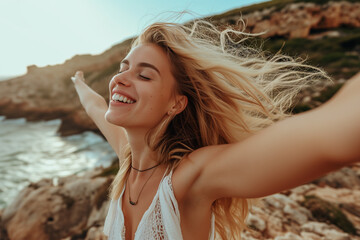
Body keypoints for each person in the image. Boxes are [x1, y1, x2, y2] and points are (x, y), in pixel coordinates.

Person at [72, 20, 360, 240]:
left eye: (144, 74)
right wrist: (79, 84)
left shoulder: (190, 177)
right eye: (123, 68)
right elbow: (96, 107)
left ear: (176, 104)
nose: (120, 79)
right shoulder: (128, 160)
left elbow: (330, 140)